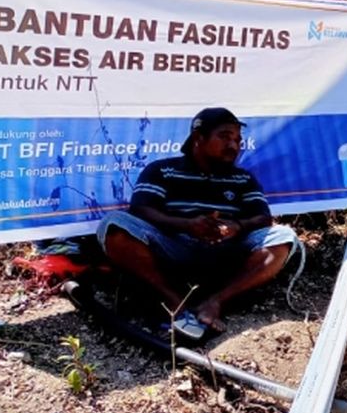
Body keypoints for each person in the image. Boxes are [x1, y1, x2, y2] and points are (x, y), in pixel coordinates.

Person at [96, 107, 297, 340]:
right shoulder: (162, 170)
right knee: (115, 225)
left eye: (237, 140)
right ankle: (173, 300)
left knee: (283, 238)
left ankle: (215, 301)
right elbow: (141, 209)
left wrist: (237, 227)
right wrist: (186, 225)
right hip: (173, 248)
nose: (233, 145)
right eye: (225, 137)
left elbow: (263, 217)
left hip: (226, 253)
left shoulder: (243, 178)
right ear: (198, 138)